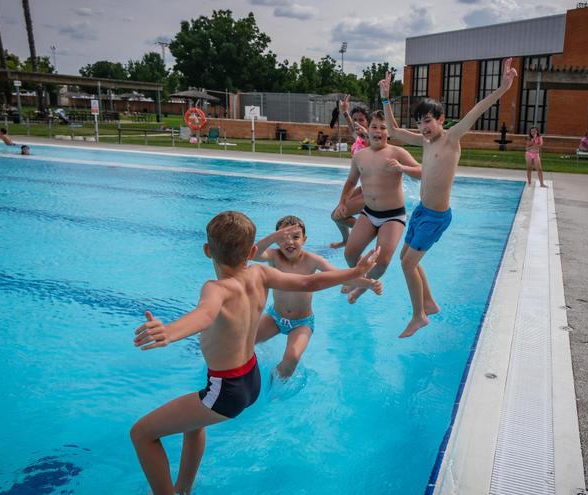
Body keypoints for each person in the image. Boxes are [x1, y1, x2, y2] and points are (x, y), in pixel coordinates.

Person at [130, 211, 380, 495]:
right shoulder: (260, 274)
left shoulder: (216, 288)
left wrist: (170, 332)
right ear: (251, 251)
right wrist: (354, 273)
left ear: (207, 251)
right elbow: (310, 283)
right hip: (250, 380)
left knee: (141, 434)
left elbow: (205, 314)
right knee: (194, 424)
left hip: (226, 389)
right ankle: (184, 489)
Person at [379, 59, 518, 337]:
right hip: (421, 211)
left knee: (408, 264)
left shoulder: (451, 138)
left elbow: (477, 110)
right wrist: (385, 98)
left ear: (441, 120)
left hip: (437, 217)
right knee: (405, 259)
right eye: (419, 122)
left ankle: (418, 315)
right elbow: (393, 131)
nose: (423, 127)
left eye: (428, 121)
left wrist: (503, 87)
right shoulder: (425, 142)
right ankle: (428, 303)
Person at [252, 216, 382, 378]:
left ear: (304, 240)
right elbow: (253, 254)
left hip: (301, 323)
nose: (289, 242)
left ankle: (273, 387)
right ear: (277, 241)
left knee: (291, 358)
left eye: (295, 237)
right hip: (275, 317)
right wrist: (272, 237)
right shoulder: (274, 256)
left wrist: (367, 283)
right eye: (283, 238)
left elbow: (339, 275)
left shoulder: (312, 260)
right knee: (245, 343)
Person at [335, 109, 422, 304]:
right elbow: (351, 181)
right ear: (368, 129)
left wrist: (402, 168)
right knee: (350, 253)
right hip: (369, 213)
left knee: (382, 262)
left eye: (383, 127)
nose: (378, 131)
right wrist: (343, 202)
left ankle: (360, 289)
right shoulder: (360, 156)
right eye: (374, 126)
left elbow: (422, 171)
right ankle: (360, 278)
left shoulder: (397, 152)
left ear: (389, 132)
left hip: (392, 216)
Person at [330, 95, 371, 249]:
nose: (358, 123)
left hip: (375, 192)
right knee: (336, 215)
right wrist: (345, 113)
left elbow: (373, 142)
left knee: (338, 216)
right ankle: (347, 240)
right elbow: (352, 128)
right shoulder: (358, 138)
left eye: (362, 120)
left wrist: (367, 133)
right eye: (356, 120)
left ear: (368, 122)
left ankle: (372, 230)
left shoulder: (374, 141)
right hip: (364, 188)